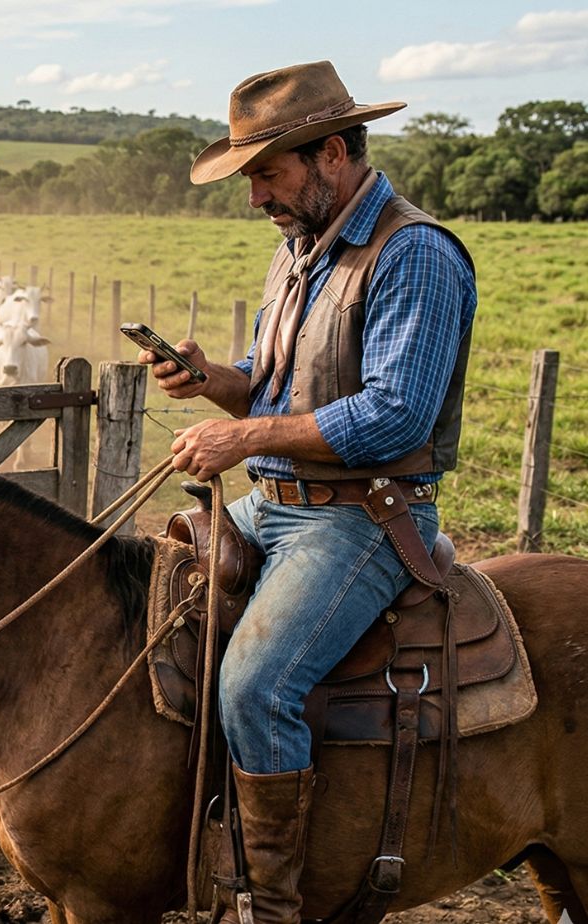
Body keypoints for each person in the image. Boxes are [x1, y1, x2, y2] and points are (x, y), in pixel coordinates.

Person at [140, 60, 477, 923]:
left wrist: (240, 436)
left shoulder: (415, 254)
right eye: (250, 176)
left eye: (267, 172)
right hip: (279, 503)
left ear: (331, 153)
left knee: (257, 686)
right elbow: (278, 388)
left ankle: (272, 904)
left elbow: (395, 416)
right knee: (143, 597)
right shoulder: (297, 254)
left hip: (361, 521)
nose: (256, 197)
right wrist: (214, 380)